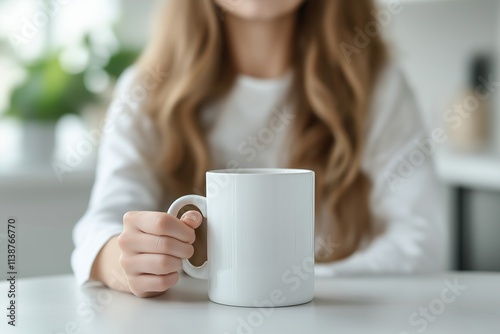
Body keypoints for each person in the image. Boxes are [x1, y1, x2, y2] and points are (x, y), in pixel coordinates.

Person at [72, 0, 444, 298]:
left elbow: (420, 241)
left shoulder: (376, 86)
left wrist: (292, 285)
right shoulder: (146, 90)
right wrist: (122, 263)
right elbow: (102, 224)